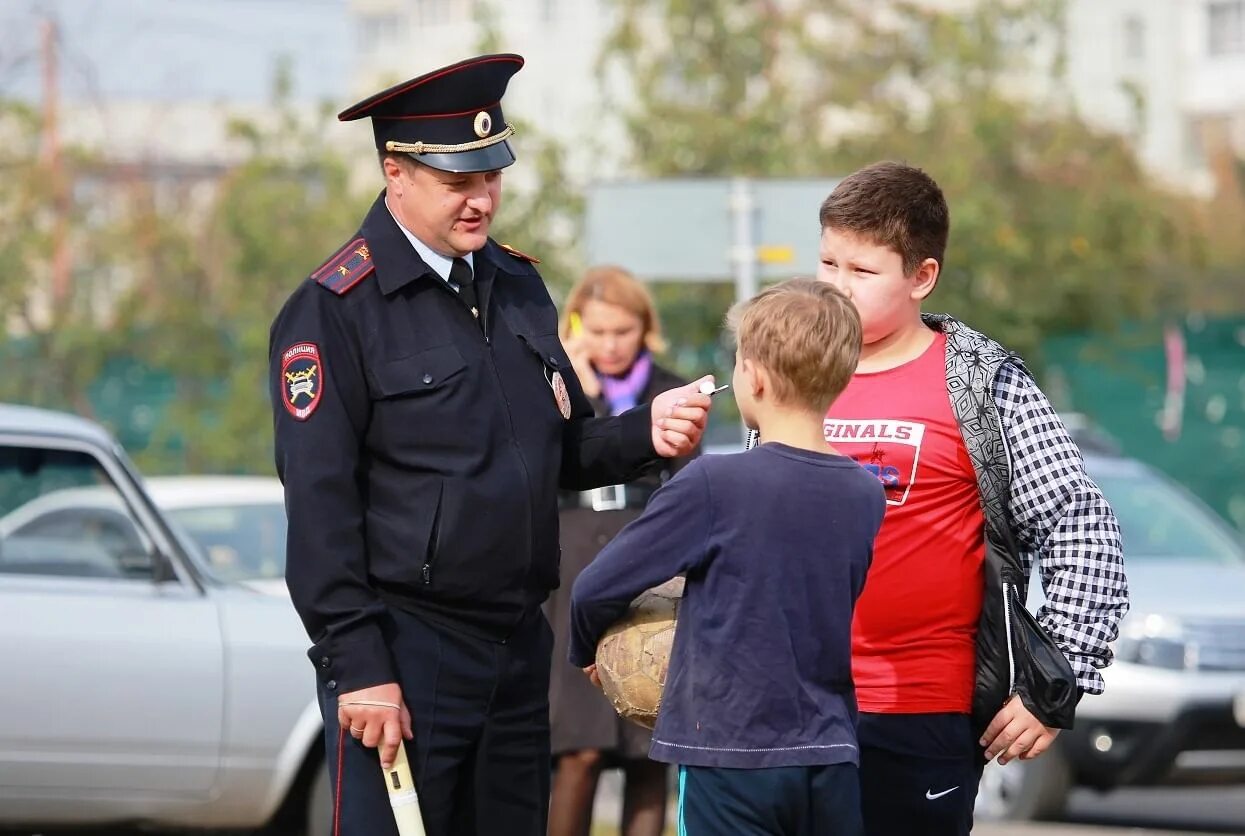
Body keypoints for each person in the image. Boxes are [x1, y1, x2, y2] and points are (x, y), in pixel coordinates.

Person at [267, 54, 712, 836]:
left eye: (491, 177)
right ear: (395, 172)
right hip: (404, 652)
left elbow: (557, 451)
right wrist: (359, 663)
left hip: (514, 647)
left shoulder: (514, 284)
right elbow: (320, 506)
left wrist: (644, 429)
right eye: (458, 182)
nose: (481, 200)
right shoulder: (334, 311)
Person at [815, 161, 1129, 835]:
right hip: (792, 707)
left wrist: (1058, 680)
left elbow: (1080, 527)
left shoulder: (982, 381)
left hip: (923, 713)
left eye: (860, 271)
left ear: (920, 276)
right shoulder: (792, 364)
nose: (836, 286)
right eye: (827, 263)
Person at [569, 278, 886, 836]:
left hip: (728, 755)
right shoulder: (865, 492)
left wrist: (589, 651)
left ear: (754, 376)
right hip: (830, 750)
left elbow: (595, 587)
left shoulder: (714, 482)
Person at [546, 266, 692, 836]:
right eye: (598, 331)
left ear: (644, 330)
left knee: (648, 754)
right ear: (578, 328)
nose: (610, 345)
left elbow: (688, 483)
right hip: (573, 572)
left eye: (622, 332)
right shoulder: (558, 387)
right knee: (577, 751)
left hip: (646, 572)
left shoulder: (671, 390)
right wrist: (575, 392)